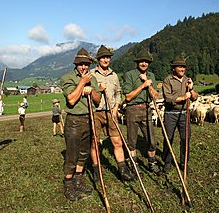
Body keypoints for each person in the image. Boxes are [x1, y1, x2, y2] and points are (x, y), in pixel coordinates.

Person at [60, 48, 101, 201]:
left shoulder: (93, 78)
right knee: (72, 154)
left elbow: (98, 100)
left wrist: (92, 91)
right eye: (81, 64)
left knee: (84, 153)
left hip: (89, 118)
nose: (84, 67)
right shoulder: (67, 78)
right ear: (76, 64)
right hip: (74, 121)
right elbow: (71, 99)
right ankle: (68, 183)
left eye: (86, 64)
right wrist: (82, 83)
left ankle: (78, 179)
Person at [90, 45, 134, 182]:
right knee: (94, 142)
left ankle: (122, 170)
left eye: (108, 57)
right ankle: (97, 170)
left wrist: (116, 107)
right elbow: (87, 90)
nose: (105, 59)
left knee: (117, 141)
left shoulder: (114, 75)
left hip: (110, 112)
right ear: (98, 59)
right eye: (103, 57)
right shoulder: (91, 74)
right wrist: (98, 88)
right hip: (96, 112)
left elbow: (118, 92)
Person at [122, 48, 162, 176]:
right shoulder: (130, 75)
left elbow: (155, 96)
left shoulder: (151, 76)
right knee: (132, 140)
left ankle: (152, 163)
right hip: (132, 109)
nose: (144, 63)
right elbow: (128, 97)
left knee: (151, 139)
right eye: (141, 61)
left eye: (146, 62)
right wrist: (142, 85)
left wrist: (148, 84)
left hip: (146, 109)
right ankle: (134, 165)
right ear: (137, 62)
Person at [162, 56, 198, 173]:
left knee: (185, 138)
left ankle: (184, 162)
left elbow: (195, 97)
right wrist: (183, 97)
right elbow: (168, 98)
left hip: (184, 113)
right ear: (174, 68)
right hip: (171, 113)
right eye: (180, 67)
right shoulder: (168, 80)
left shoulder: (188, 80)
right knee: (168, 138)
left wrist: (191, 89)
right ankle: (167, 162)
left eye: (183, 67)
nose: (182, 69)